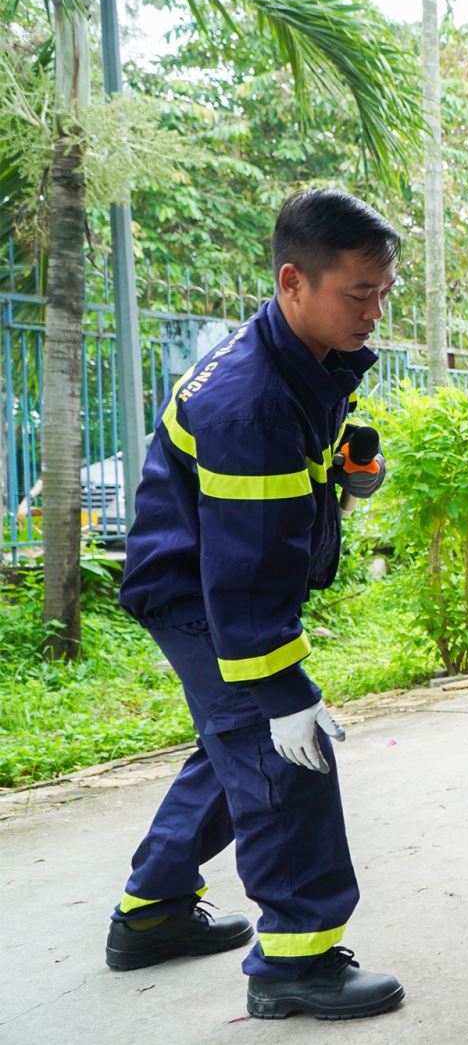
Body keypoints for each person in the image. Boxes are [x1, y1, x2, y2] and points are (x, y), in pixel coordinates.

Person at [110, 190, 403, 1020]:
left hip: (212, 579)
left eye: (384, 292)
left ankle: (151, 909)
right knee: (285, 755)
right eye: (359, 295)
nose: (374, 312)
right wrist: (285, 692)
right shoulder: (253, 401)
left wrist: (342, 478)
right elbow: (242, 575)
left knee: (235, 744)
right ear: (292, 281)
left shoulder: (297, 355)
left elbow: (276, 510)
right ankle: (293, 962)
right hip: (200, 591)